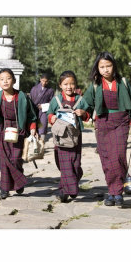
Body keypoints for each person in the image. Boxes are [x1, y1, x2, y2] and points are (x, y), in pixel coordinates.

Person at [83, 51, 131, 206]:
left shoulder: (123, 83)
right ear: (98, 68)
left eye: (108, 66)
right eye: (102, 67)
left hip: (121, 122)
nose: (105, 70)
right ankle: (113, 191)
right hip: (102, 124)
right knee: (106, 159)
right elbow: (86, 105)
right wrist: (82, 113)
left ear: (114, 66)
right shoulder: (95, 85)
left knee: (118, 157)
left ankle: (117, 191)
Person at [0, 69, 37, 200]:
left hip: (19, 131)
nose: (5, 81)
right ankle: (5, 189)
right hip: (3, 131)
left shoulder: (23, 97)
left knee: (16, 159)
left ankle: (18, 181)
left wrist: (33, 128)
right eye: (2, 79)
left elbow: (31, 114)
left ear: (14, 80)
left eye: (8, 78)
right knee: (5, 161)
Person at [47, 71, 90, 202]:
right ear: (60, 85)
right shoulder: (56, 100)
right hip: (60, 137)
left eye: (72, 84)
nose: (69, 87)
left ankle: (65, 189)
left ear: (76, 85)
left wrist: (82, 113)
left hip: (76, 137)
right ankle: (68, 190)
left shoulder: (80, 100)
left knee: (75, 164)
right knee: (64, 164)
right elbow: (49, 114)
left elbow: (87, 116)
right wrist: (52, 118)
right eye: (65, 84)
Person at [29, 73, 55, 141]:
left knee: (42, 128)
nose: (44, 82)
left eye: (46, 81)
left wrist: (43, 106)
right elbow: (30, 99)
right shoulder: (34, 88)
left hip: (43, 112)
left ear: (48, 81)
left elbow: (52, 102)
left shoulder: (50, 90)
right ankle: (35, 144)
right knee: (34, 127)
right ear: (40, 80)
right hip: (34, 111)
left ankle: (42, 145)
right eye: (43, 80)